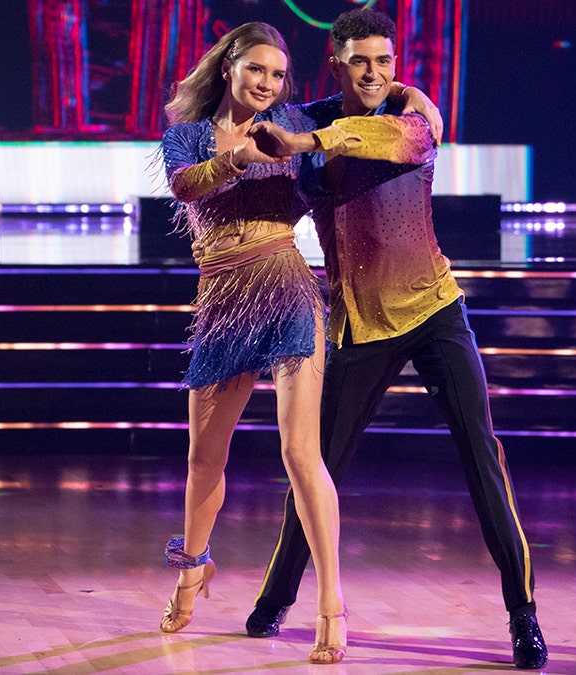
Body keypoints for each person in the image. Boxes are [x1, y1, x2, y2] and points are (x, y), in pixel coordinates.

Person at [243, 8, 549, 670]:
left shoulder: (408, 120)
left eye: (385, 60)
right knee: (316, 468)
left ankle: (522, 615)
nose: (376, 72)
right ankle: (276, 597)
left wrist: (301, 146)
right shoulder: (307, 121)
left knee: (482, 454)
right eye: (361, 61)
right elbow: (268, 157)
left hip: (436, 311)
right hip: (357, 322)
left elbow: (393, 140)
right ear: (337, 63)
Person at [157, 21, 347, 664]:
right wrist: (238, 156)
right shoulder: (187, 134)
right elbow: (186, 185)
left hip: (291, 292)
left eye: (276, 73)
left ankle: (331, 605)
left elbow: (365, 103)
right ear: (229, 68)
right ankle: (192, 567)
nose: (266, 83)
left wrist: (413, 97)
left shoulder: (293, 121)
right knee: (204, 459)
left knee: (300, 453)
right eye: (255, 70)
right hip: (223, 304)